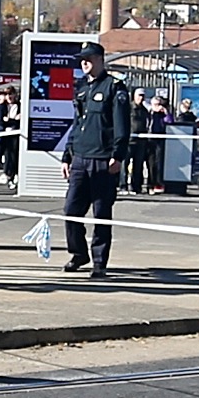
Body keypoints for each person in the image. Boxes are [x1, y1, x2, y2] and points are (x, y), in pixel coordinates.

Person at [62, 60, 136, 277]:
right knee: (71, 211)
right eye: (82, 60)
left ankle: (99, 262)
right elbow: (77, 124)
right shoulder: (82, 87)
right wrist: (67, 154)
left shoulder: (114, 87)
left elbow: (122, 125)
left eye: (89, 59)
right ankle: (78, 254)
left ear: (99, 61)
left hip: (103, 159)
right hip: (80, 158)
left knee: (101, 213)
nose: (84, 63)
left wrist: (118, 155)